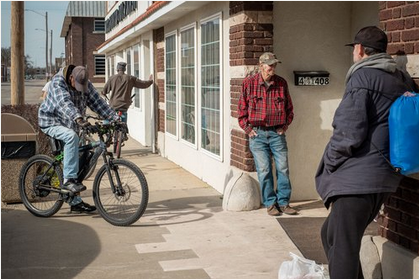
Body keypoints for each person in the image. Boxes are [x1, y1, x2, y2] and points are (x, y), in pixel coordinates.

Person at [315, 26, 417, 279]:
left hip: (358, 177)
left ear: (359, 49)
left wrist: (331, 160)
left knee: (342, 247)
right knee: (331, 234)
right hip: (383, 176)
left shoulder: (363, 77)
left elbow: (349, 129)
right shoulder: (402, 78)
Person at [38, 65, 120, 213]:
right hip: (52, 122)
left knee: (82, 159)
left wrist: (116, 119)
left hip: (73, 124)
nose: (80, 89)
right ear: (71, 78)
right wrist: (79, 118)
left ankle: (74, 201)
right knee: (71, 137)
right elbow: (65, 104)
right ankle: (69, 181)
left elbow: (98, 103)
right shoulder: (58, 82)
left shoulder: (85, 83)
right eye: (77, 86)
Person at [238, 52, 297, 217]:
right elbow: (241, 112)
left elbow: (289, 110)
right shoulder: (249, 84)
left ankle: (284, 203)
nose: (273, 68)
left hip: (277, 133)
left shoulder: (281, 83)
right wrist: (249, 130)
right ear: (261, 66)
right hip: (258, 136)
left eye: (274, 64)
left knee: (283, 169)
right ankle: (270, 203)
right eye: (270, 65)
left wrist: (284, 127)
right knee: (264, 170)